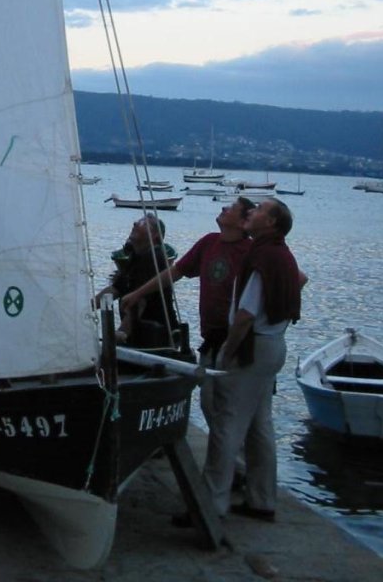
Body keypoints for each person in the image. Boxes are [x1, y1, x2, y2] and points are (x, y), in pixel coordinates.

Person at [201, 198, 303, 522]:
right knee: (260, 425)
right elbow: (299, 283)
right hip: (275, 345)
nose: (251, 212)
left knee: (226, 424)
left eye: (258, 210)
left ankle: (211, 504)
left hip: (253, 346)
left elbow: (245, 313)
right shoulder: (283, 255)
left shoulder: (262, 256)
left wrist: (228, 350)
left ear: (271, 223)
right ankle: (262, 499)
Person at [119, 196, 255, 431]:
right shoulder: (209, 242)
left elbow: (295, 280)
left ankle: (232, 463)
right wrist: (137, 294)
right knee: (209, 403)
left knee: (232, 407)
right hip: (212, 337)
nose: (223, 207)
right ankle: (229, 460)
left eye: (231, 208)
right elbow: (175, 272)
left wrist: (269, 321)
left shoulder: (250, 251)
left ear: (243, 223)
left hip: (239, 338)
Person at [94, 214, 179, 346]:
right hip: (140, 334)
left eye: (144, 223)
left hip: (154, 338)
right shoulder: (136, 257)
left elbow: (140, 300)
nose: (135, 224)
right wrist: (86, 308)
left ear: (155, 236)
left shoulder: (154, 258)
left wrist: (121, 332)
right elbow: (115, 289)